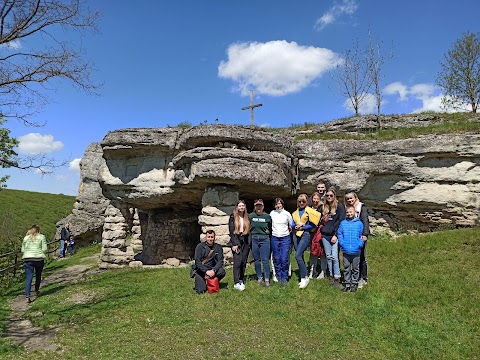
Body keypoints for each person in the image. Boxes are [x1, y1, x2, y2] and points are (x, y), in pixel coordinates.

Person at [291, 193, 321, 289]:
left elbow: (314, 224)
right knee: (300, 256)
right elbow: (292, 223)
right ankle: (304, 273)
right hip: (296, 234)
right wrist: (295, 226)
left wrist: (303, 227)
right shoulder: (295, 212)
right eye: (299, 201)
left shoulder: (309, 211)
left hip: (305, 234)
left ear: (306, 201)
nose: (301, 203)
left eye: (303, 201)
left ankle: (304, 278)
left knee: (297, 255)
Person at [344, 191, 371, 288]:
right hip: (351, 236)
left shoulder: (361, 207)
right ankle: (354, 277)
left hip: (360, 236)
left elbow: (365, 221)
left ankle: (363, 278)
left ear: (355, 198)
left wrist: (365, 234)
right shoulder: (347, 208)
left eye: (351, 198)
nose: (350, 200)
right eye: (347, 199)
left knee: (362, 256)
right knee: (354, 257)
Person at [320, 188, 345, 288]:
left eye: (331, 195)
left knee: (335, 257)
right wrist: (323, 221)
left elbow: (341, 221)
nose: (329, 197)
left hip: (334, 235)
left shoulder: (339, 207)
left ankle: (337, 276)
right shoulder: (324, 207)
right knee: (328, 256)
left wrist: (336, 235)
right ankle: (331, 274)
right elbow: (321, 222)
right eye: (327, 196)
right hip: (325, 235)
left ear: (334, 196)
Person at [337, 205, 365, 292]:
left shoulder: (359, 223)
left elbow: (361, 235)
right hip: (346, 250)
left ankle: (354, 284)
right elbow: (340, 234)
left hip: (356, 250)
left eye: (351, 212)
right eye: (347, 212)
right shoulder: (343, 223)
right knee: (346, 268)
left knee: (355, 268)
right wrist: (342, 243)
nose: (349, 214)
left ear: (355, 212)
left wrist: (360, 244)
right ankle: (347, 284)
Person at [193, 230, 225, 294]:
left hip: (212, 269)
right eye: (209, 237)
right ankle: (202, 281)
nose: (210, 239)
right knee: (201, 291)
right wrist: (206, 271)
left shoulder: (218, 247)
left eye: (212, 237)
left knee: (222, 271)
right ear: (206, 238)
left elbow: (220, 261)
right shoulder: (200, 247)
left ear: (214, 238)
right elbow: (197, 262)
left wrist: (213, 270)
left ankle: (212, 282)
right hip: (202, 271)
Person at [21, 225, 48, 304]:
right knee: (38, 275)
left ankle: (27, 296)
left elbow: (22, 250)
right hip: (38, 258)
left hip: (28, 259)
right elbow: (44, 249)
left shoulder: (26, 238)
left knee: (29, 277)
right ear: (38, 230)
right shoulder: (42, 237)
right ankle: (36, 290)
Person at [229, 200, 251, 291]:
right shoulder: (233, 217)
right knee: (237, 261)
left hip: (245, 240)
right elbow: (231, 231)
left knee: (243, 261)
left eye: (243, 206)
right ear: (237, 207)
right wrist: (234, 244)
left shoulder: (247, 217)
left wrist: (249, 242)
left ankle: (241, 279)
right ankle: (236, 282)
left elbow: (250, 229)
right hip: (237, 239)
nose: (241, 207)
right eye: (240, 206)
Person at [270, 198, 293, 286]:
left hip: (285, 238)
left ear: (282, 204)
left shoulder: (287, 214)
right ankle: (278, 276)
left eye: (279, 204)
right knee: (276, 258)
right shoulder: (272, 213)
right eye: (276, 204)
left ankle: (284, 277)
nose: (278, 205)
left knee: (284, 258)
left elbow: (291, 225)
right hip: (275, 237)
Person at [250, 199, 272, 288]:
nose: (259, 207)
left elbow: (270, 227)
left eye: (260, 205)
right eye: (257, 206)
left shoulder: (267, 216)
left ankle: (267, 279)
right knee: (256, 260)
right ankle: (259, 277)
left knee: (265, 260)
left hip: (265, 239)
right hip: (254, 238)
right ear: (255, 207)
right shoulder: (251, 216)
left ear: (263, 207)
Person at [308, 192, 328, 280]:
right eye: (314, 199)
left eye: (317, 199)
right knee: (313, 252)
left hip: (320, 232)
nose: (315, 200)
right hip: (311, 232)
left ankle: (323, 271)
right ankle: (312, 270)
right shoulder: (308, 208)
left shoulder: (323, 208)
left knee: (322, 252)